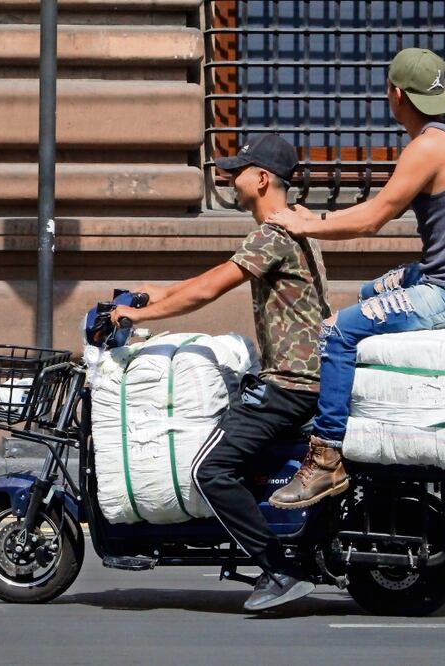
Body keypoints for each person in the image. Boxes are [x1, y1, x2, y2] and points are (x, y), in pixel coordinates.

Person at [265, 47, 445, 509]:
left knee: (337, 331)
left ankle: (326, 457)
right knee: (370, 292)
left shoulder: (427, 147)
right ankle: (350, 405)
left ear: (394, 94)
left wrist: (307, 223)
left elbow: (374, 218)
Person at [110, 134, 330, 612]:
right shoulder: (292, 229)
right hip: (301, 377)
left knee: (209, 469)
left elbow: (212, 288)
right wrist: (158, 291)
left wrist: (141, 316)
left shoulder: (274, 233)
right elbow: (217, 274)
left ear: (263, 179)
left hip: (290, 383)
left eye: (240, 171)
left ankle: (278, 571)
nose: (231, 178)